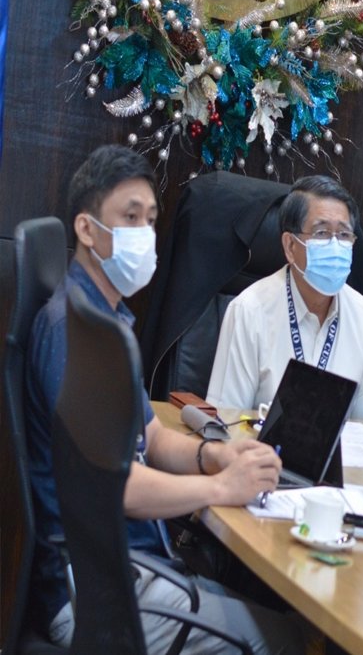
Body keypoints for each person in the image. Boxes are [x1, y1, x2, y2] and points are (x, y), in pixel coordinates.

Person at [25, 145, 306, 653]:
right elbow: (118, 489)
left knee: (281, 617)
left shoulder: (105, 320)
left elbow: (150, 436)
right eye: (130, 218)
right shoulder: (76, 332)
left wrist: (213, 455)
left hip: (132, 564)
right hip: (95, 592)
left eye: (151, 220)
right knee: (288, 641)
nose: (145, 234)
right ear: (86, 229)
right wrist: (220, 488)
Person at [206, 175, 363, 419]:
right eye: (322, 233)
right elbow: (226, 420)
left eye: (344, 235)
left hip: (339, 445)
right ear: (290, 246)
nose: (335, 246)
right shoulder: (249, 310)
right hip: (259, 443)